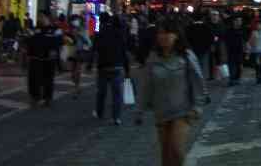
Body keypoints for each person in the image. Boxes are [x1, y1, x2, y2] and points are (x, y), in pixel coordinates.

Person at [137, 18, 206, 166]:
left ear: (176, 35)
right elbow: (146, 85)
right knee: (166, 154)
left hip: (183, 110)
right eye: (160, 33)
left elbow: (198, 82)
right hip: (161, 110)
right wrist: (140, 110)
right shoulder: (153, 58)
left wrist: (197, 107)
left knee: (176, 148)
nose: (163, 36)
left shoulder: (186, 56)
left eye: (168, 32)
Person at [89, 13, 129, 124]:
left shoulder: (99, 33)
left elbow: (94, 50)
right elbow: (124, 51)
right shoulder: (118, 33)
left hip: (103, 66)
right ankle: (116, 117)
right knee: (117, 94)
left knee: (101, 92)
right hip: (117, 65)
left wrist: (89, 64)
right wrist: (127, 69)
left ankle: (99, 112)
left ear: (101, 21)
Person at [25, 11, 62, 108]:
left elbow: (58, 42)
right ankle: (35, 98)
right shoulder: (35, 29)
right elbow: (29, 41)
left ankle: (47, 98)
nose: (39, 18)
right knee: (34, 79)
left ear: (47, 18)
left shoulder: (55, 30)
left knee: (48, 79)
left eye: (41, 16)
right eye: (38, 17)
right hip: (35, 58)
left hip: (49, 59)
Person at [67, 15, 91, 98]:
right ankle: (77, 86)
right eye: (74, 20)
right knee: (72, 73)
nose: (75, 22)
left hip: (80, 52)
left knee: (77, 71)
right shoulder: (71, 29)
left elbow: (89, 43)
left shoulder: (84, 30)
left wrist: (80, 35)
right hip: (72, 52)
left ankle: (77, 88)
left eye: (77, 20)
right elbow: (69, 40)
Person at [186, 13, 214, 81]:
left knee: (194, 65)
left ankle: (195, 78)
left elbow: (187, 39)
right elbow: (211, 38)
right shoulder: (207, 27)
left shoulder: (189, 27)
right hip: (204, 50)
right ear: (202, 19)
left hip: (193, 50)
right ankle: (202, 79)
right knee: (203, 65)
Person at [224, 16, 245, 86]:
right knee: (232, 65)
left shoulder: (242, 30)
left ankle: (236, 79)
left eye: (240, 21)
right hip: (231, 50)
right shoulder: (229, 30)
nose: (240, 22)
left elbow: (245, 40)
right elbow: (226, 40)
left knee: (239, 65)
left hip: (240, 51)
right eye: (238, 20)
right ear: (234, 21)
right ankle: (232, 79)